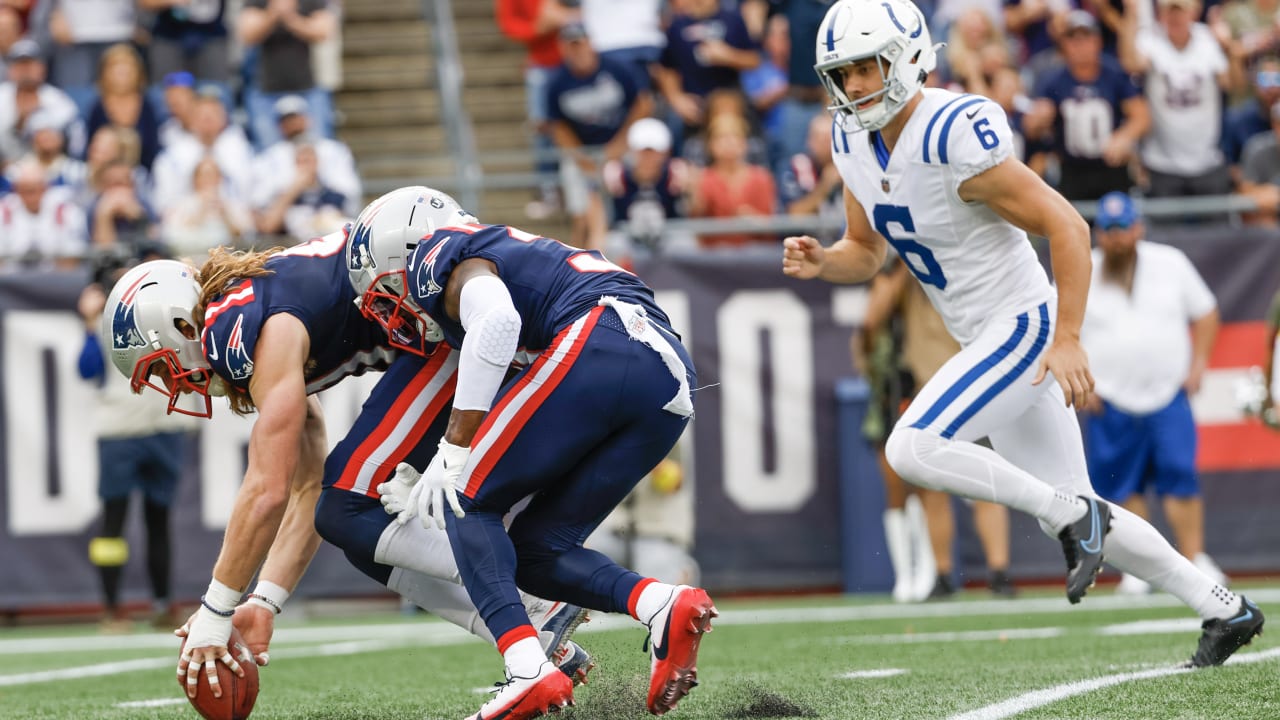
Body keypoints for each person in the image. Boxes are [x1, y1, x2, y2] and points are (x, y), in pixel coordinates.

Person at [783, 0, 1262, 668]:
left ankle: (1075, 518)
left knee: (912, 447)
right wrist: (824, 261)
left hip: (1021, 323)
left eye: (867, 67)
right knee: (1071, 504)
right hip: (981, 333)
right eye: (843, 72)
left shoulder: (951, 130)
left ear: (908, 57)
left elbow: (1069, 226)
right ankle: (1223, 607)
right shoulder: (850, 140)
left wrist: (1066, 337)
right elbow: (865, 252)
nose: (855, 85)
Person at [100, 213, 593, 701]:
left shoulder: (238, 327)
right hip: (447, 332)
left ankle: (532, 602)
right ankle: (535, 627)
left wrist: (215, 610)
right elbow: (307, 486)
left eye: (163, 369)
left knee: (347, 506)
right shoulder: (256, 316)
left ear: (182, 325)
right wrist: (264, 601)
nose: (175, 385)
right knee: (357, 527)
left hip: (462, 325)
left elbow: (266, 492)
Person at [346, 187, 715, 719]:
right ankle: (662, 604)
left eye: (384, 290)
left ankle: (527, 670)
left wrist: (452, 454)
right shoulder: (508, 256)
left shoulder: (438, 250)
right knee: (540, 553)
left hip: (606, 336)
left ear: (403, 250)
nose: (389, 308)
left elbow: (496, 323)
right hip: (665, 380)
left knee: (466, 500)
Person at [1080, 191, 1227, 594]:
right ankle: (1140, 569)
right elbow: (1063, 327)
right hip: (1110, 397)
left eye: (1123, 228)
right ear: (1098, 235)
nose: (1116, 238)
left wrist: (1199, 365)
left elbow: (1206, 311)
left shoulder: (1169, 262)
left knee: (1180, 477)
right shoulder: (1082, 268)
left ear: (1138, 228)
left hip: (1167, 393)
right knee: (1122, 488)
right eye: (1108, 231)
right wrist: (1080, 378)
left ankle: (1194, 561)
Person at [77, 259, 196, 632]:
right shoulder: (104, 321)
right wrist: (88, 324)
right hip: (120, 427)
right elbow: (87, 369)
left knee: (158, 520)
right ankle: (111, 608)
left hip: (163, 423)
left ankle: (162, 604)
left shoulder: (168, 311)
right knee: (114, 521)